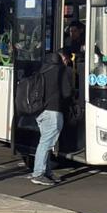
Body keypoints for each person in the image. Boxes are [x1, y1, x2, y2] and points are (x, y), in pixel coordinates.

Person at [30, 49, 75, 186]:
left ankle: (47, 172)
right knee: (46, 144)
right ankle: (38, 173)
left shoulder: (42, 70)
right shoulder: (64, 71)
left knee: (46, 142)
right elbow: (67, 93)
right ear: (64, 59)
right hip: (54, 112)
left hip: (40, 111)